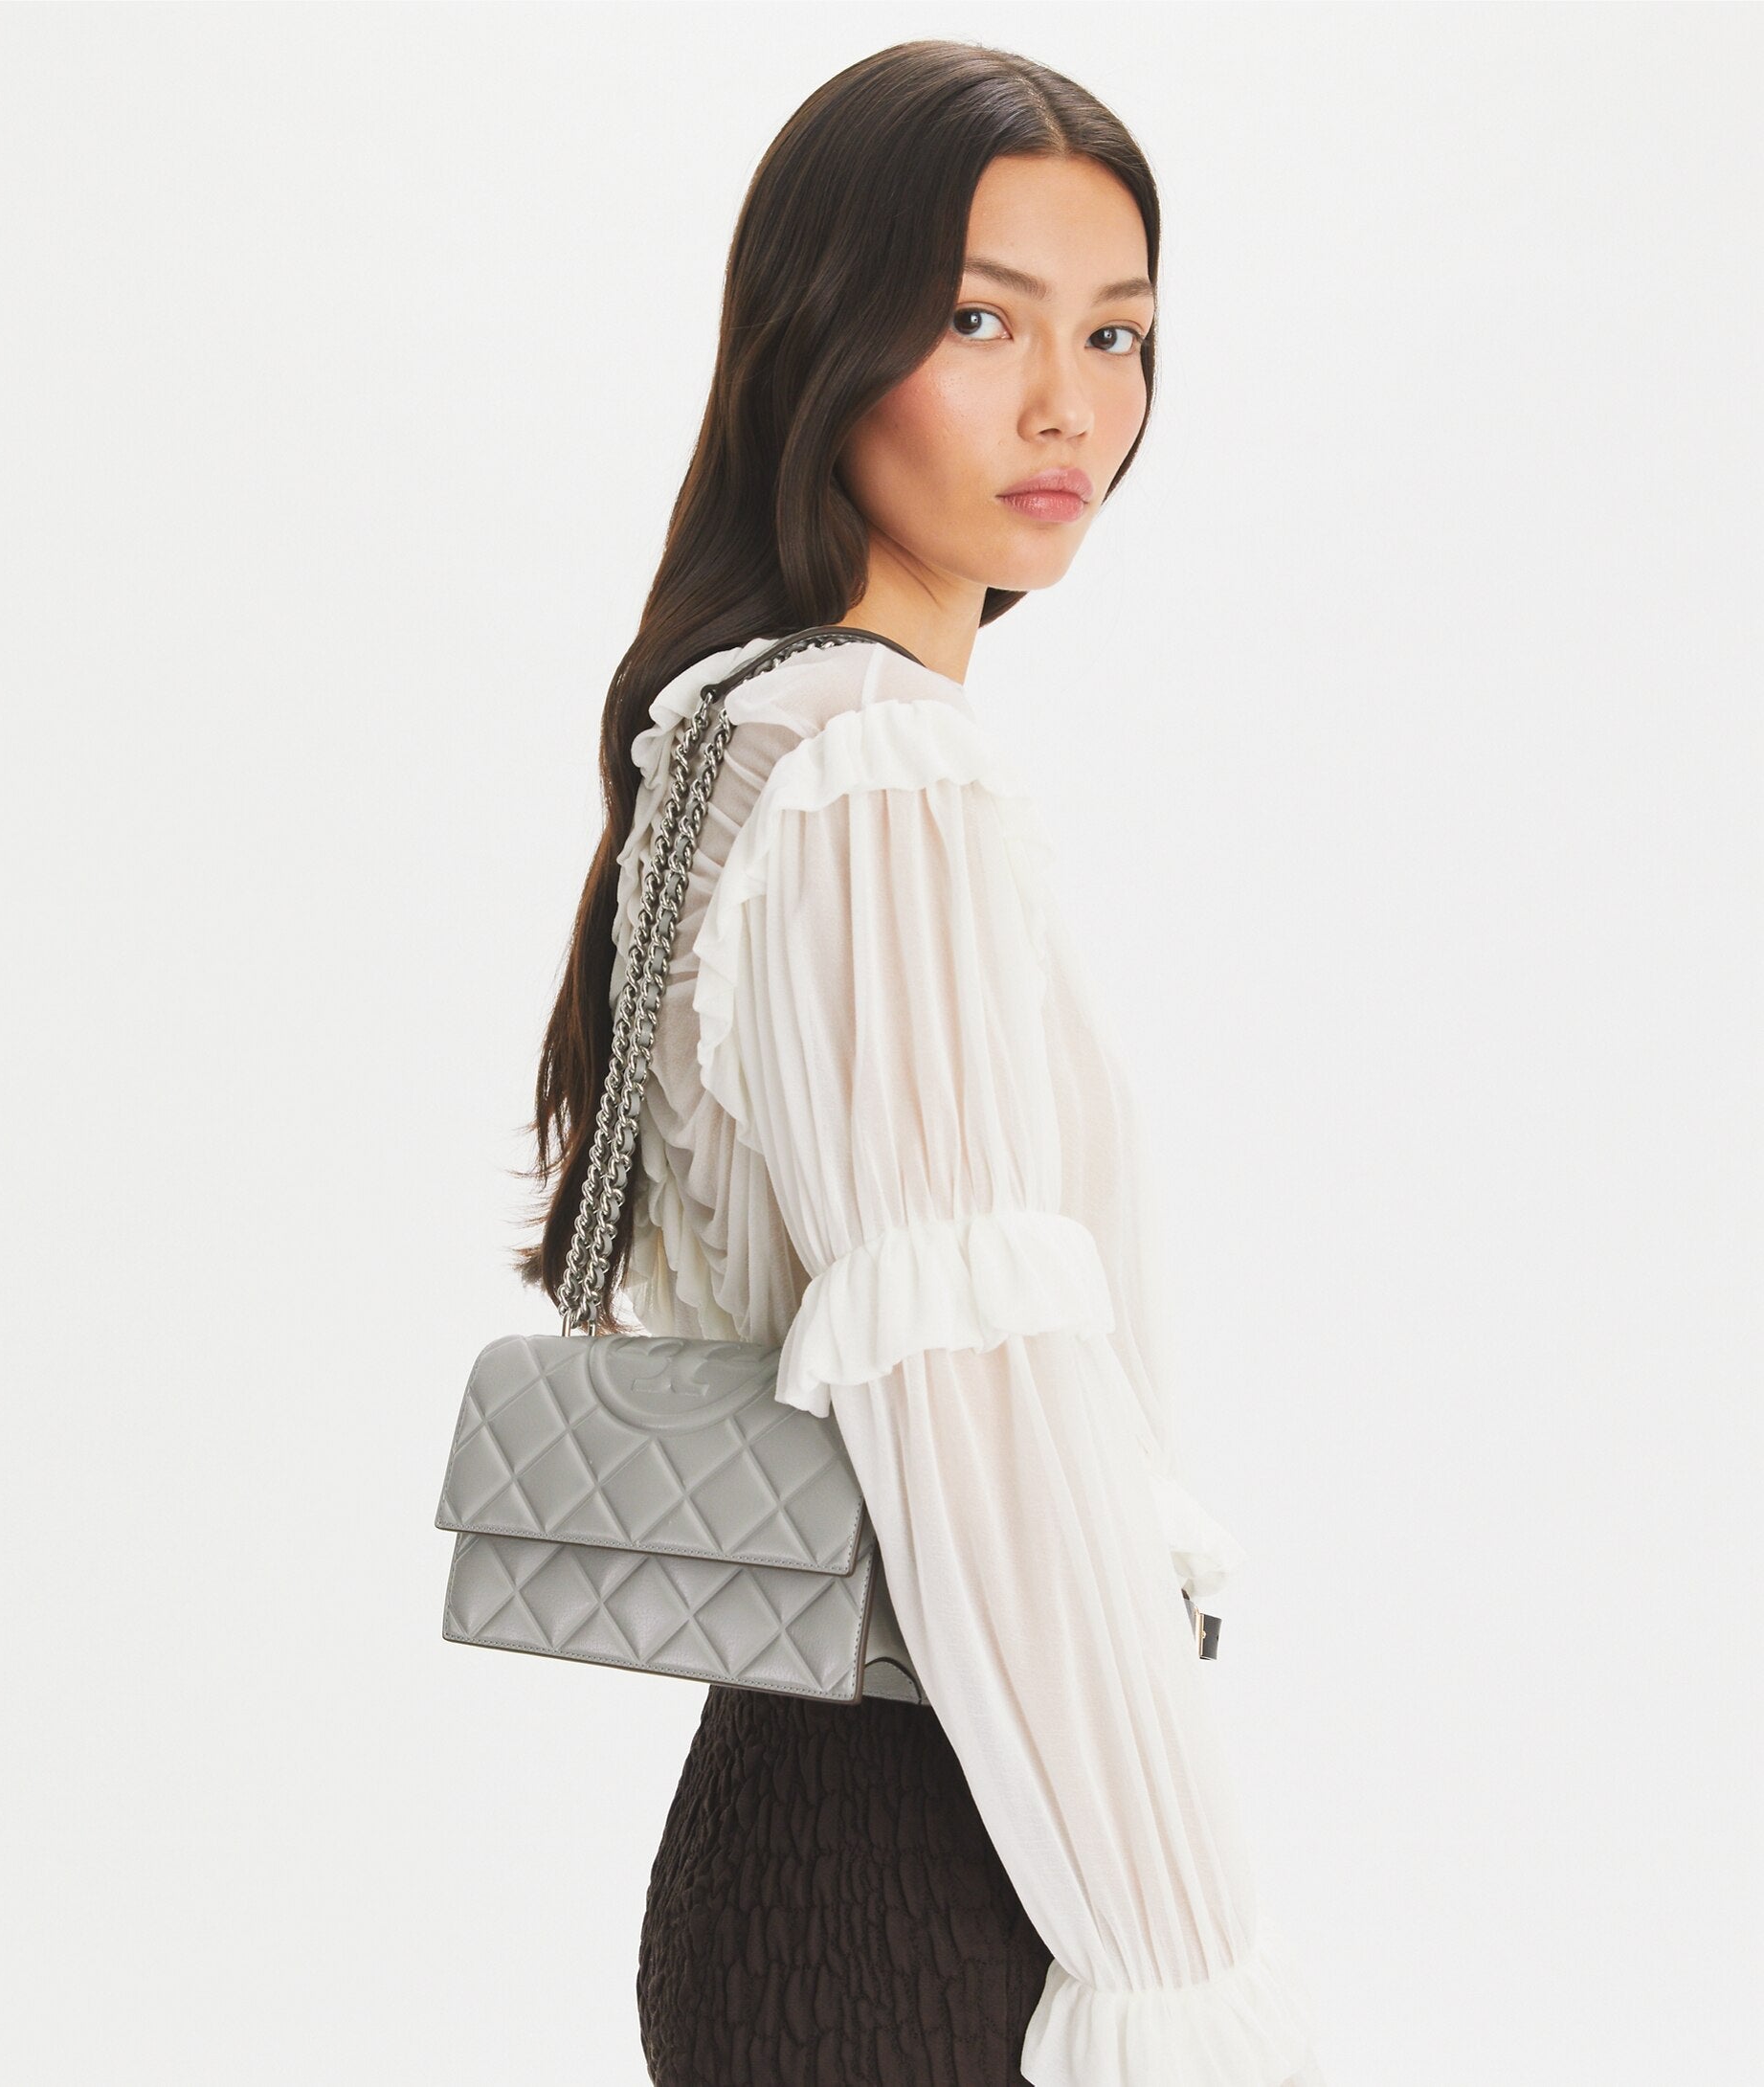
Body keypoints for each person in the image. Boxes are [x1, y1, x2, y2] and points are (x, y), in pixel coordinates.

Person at [517, 38, 1330, 2087]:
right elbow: (988, 1432)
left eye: (1116, 332)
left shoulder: (737, 727)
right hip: (942, 1881)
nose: (1070, 405)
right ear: (822, 337)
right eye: (981, 320)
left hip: (804, 1836)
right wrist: (1183, 1972)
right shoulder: (879, 769)